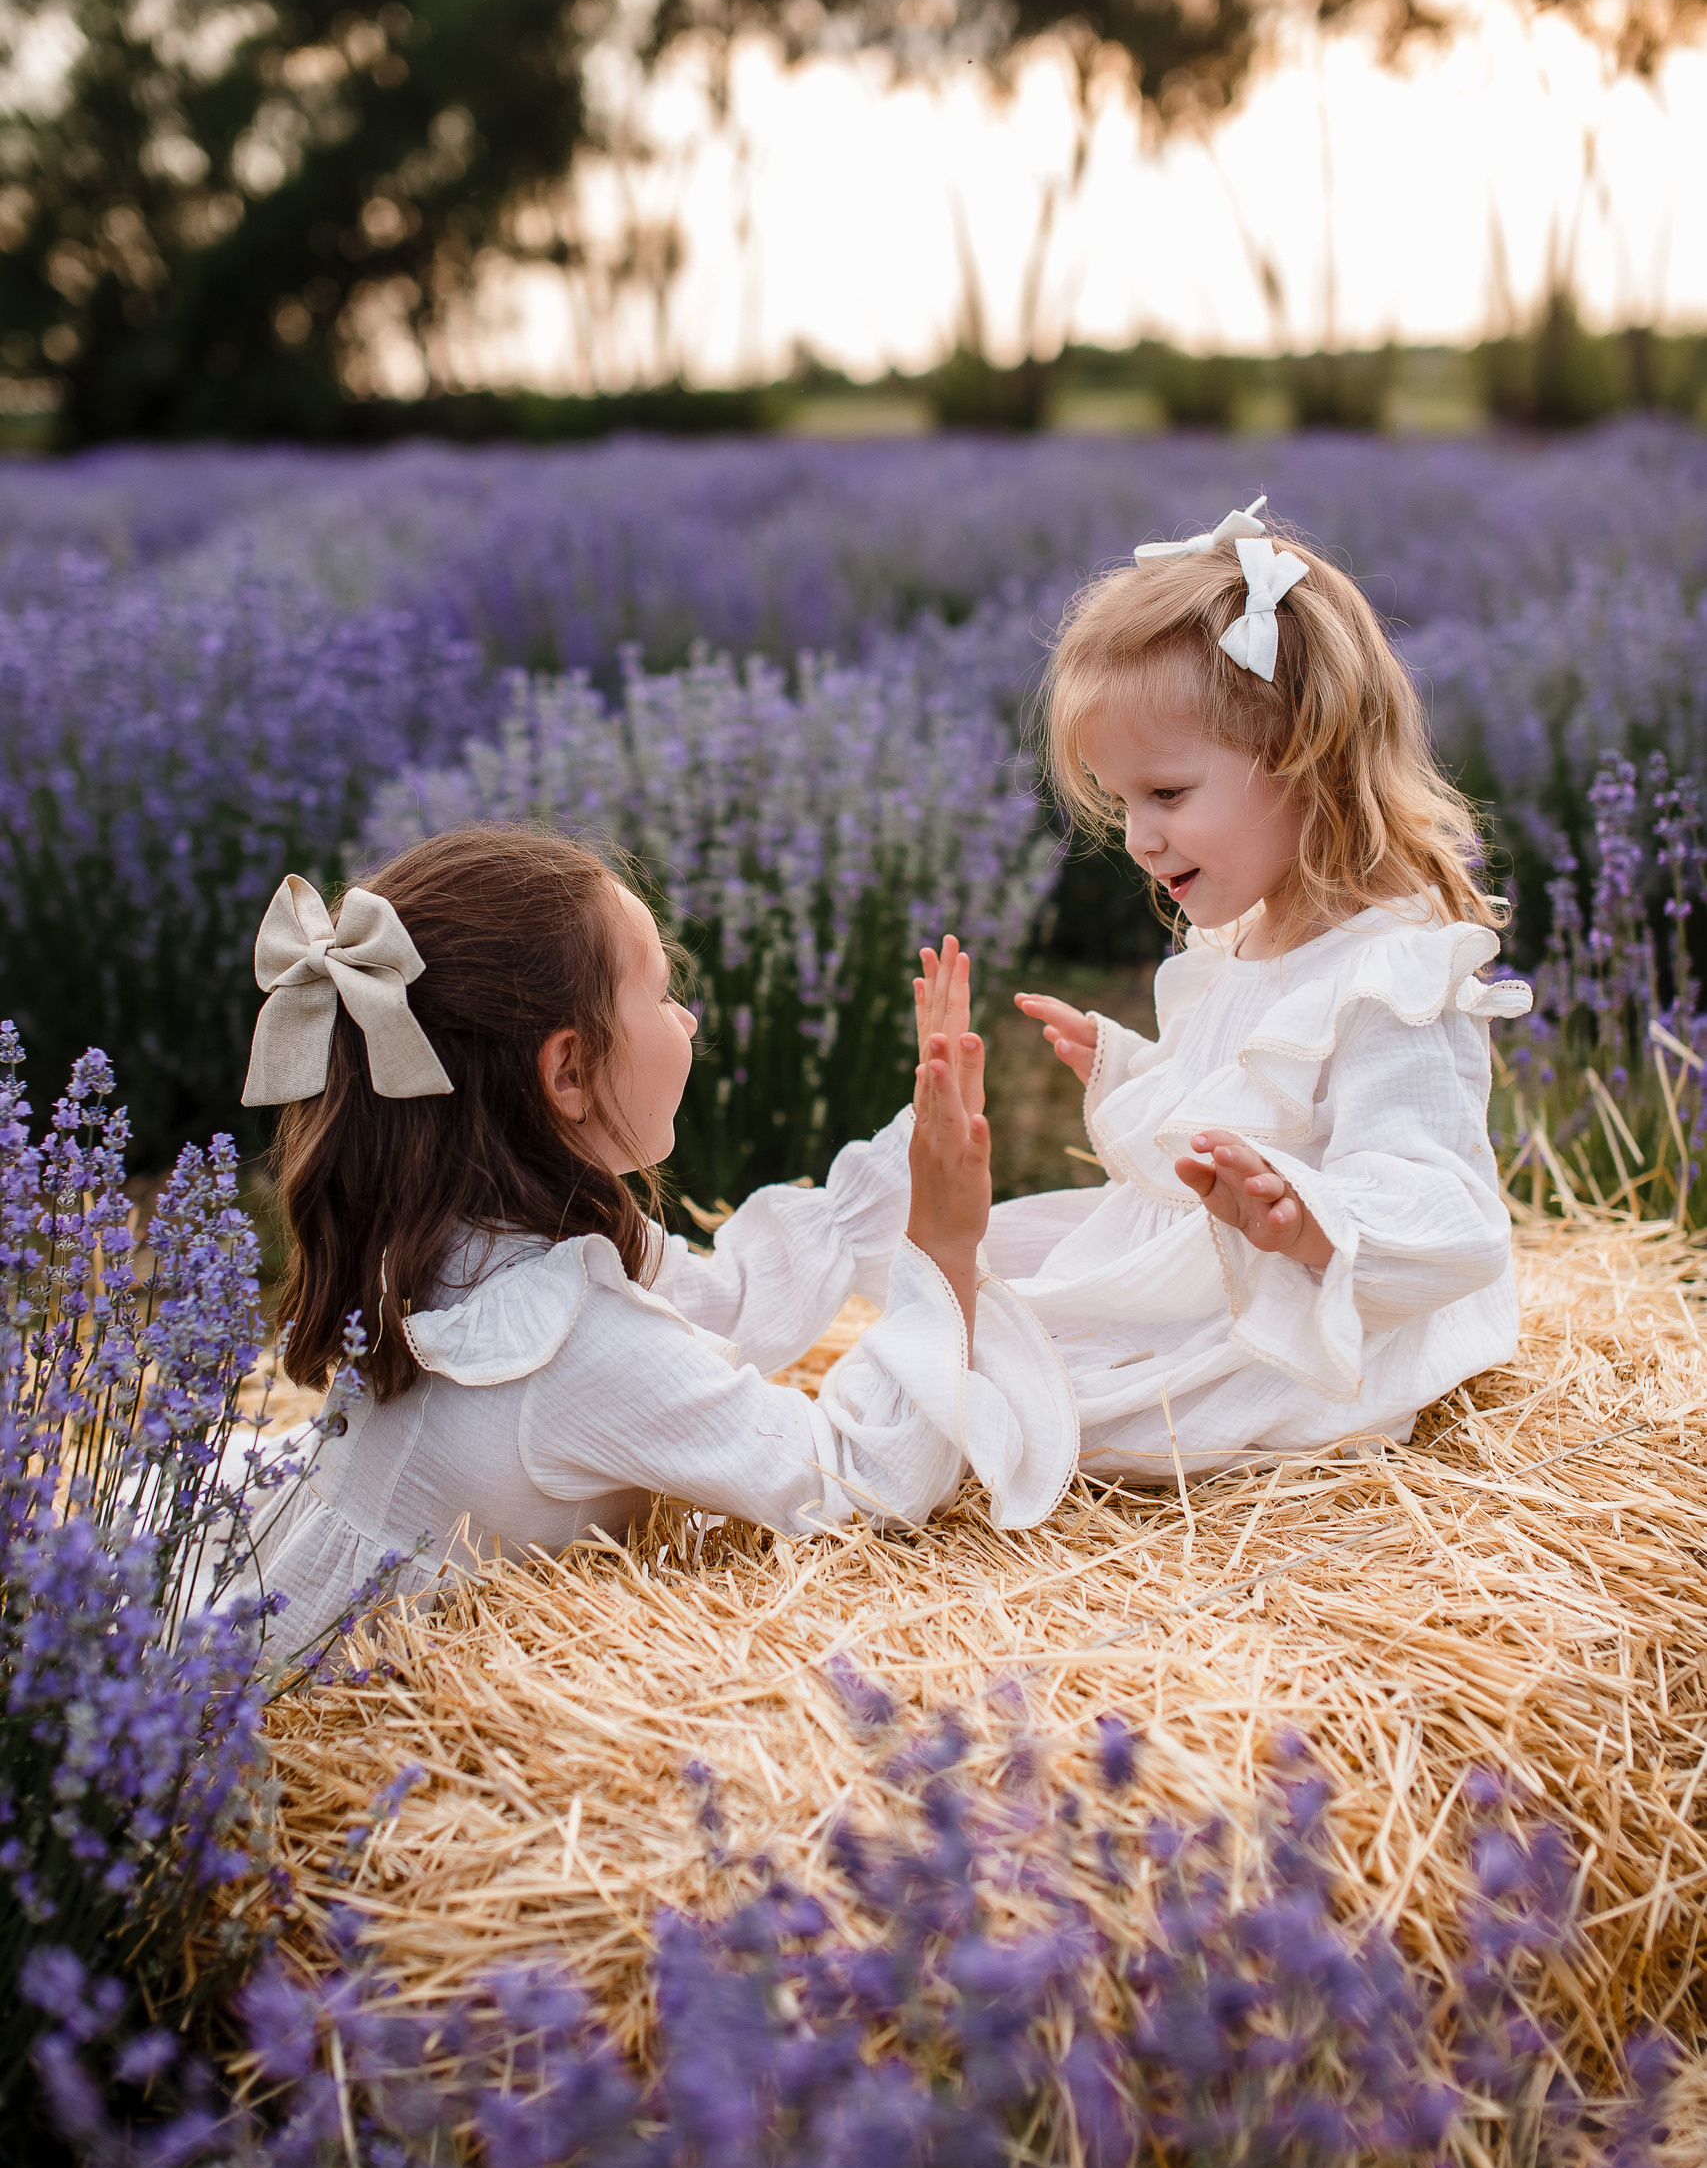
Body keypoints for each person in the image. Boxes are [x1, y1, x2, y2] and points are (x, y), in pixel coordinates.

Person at [241, 827, 1076, 1654]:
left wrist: (917, 1146)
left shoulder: (465, 1234)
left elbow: (726, 1301)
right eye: (662, 991)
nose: (687, 1016)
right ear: (567, 1072)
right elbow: (859, 1479)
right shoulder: (571, 1346)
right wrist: (943, 1246)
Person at [1000, 495, 1533, 1483]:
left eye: (1167, 793)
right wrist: (1133, 1069)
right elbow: (1250, 1105)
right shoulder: (1247, 938)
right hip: (1218, 1271)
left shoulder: (1389, 976)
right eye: (1122, 802)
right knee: (983, 1309)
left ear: (1305, 760)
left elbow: (1449, 1213)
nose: (1140, 837)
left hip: (1311, 1318)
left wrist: (1308, 1216)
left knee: (1054, 1413)